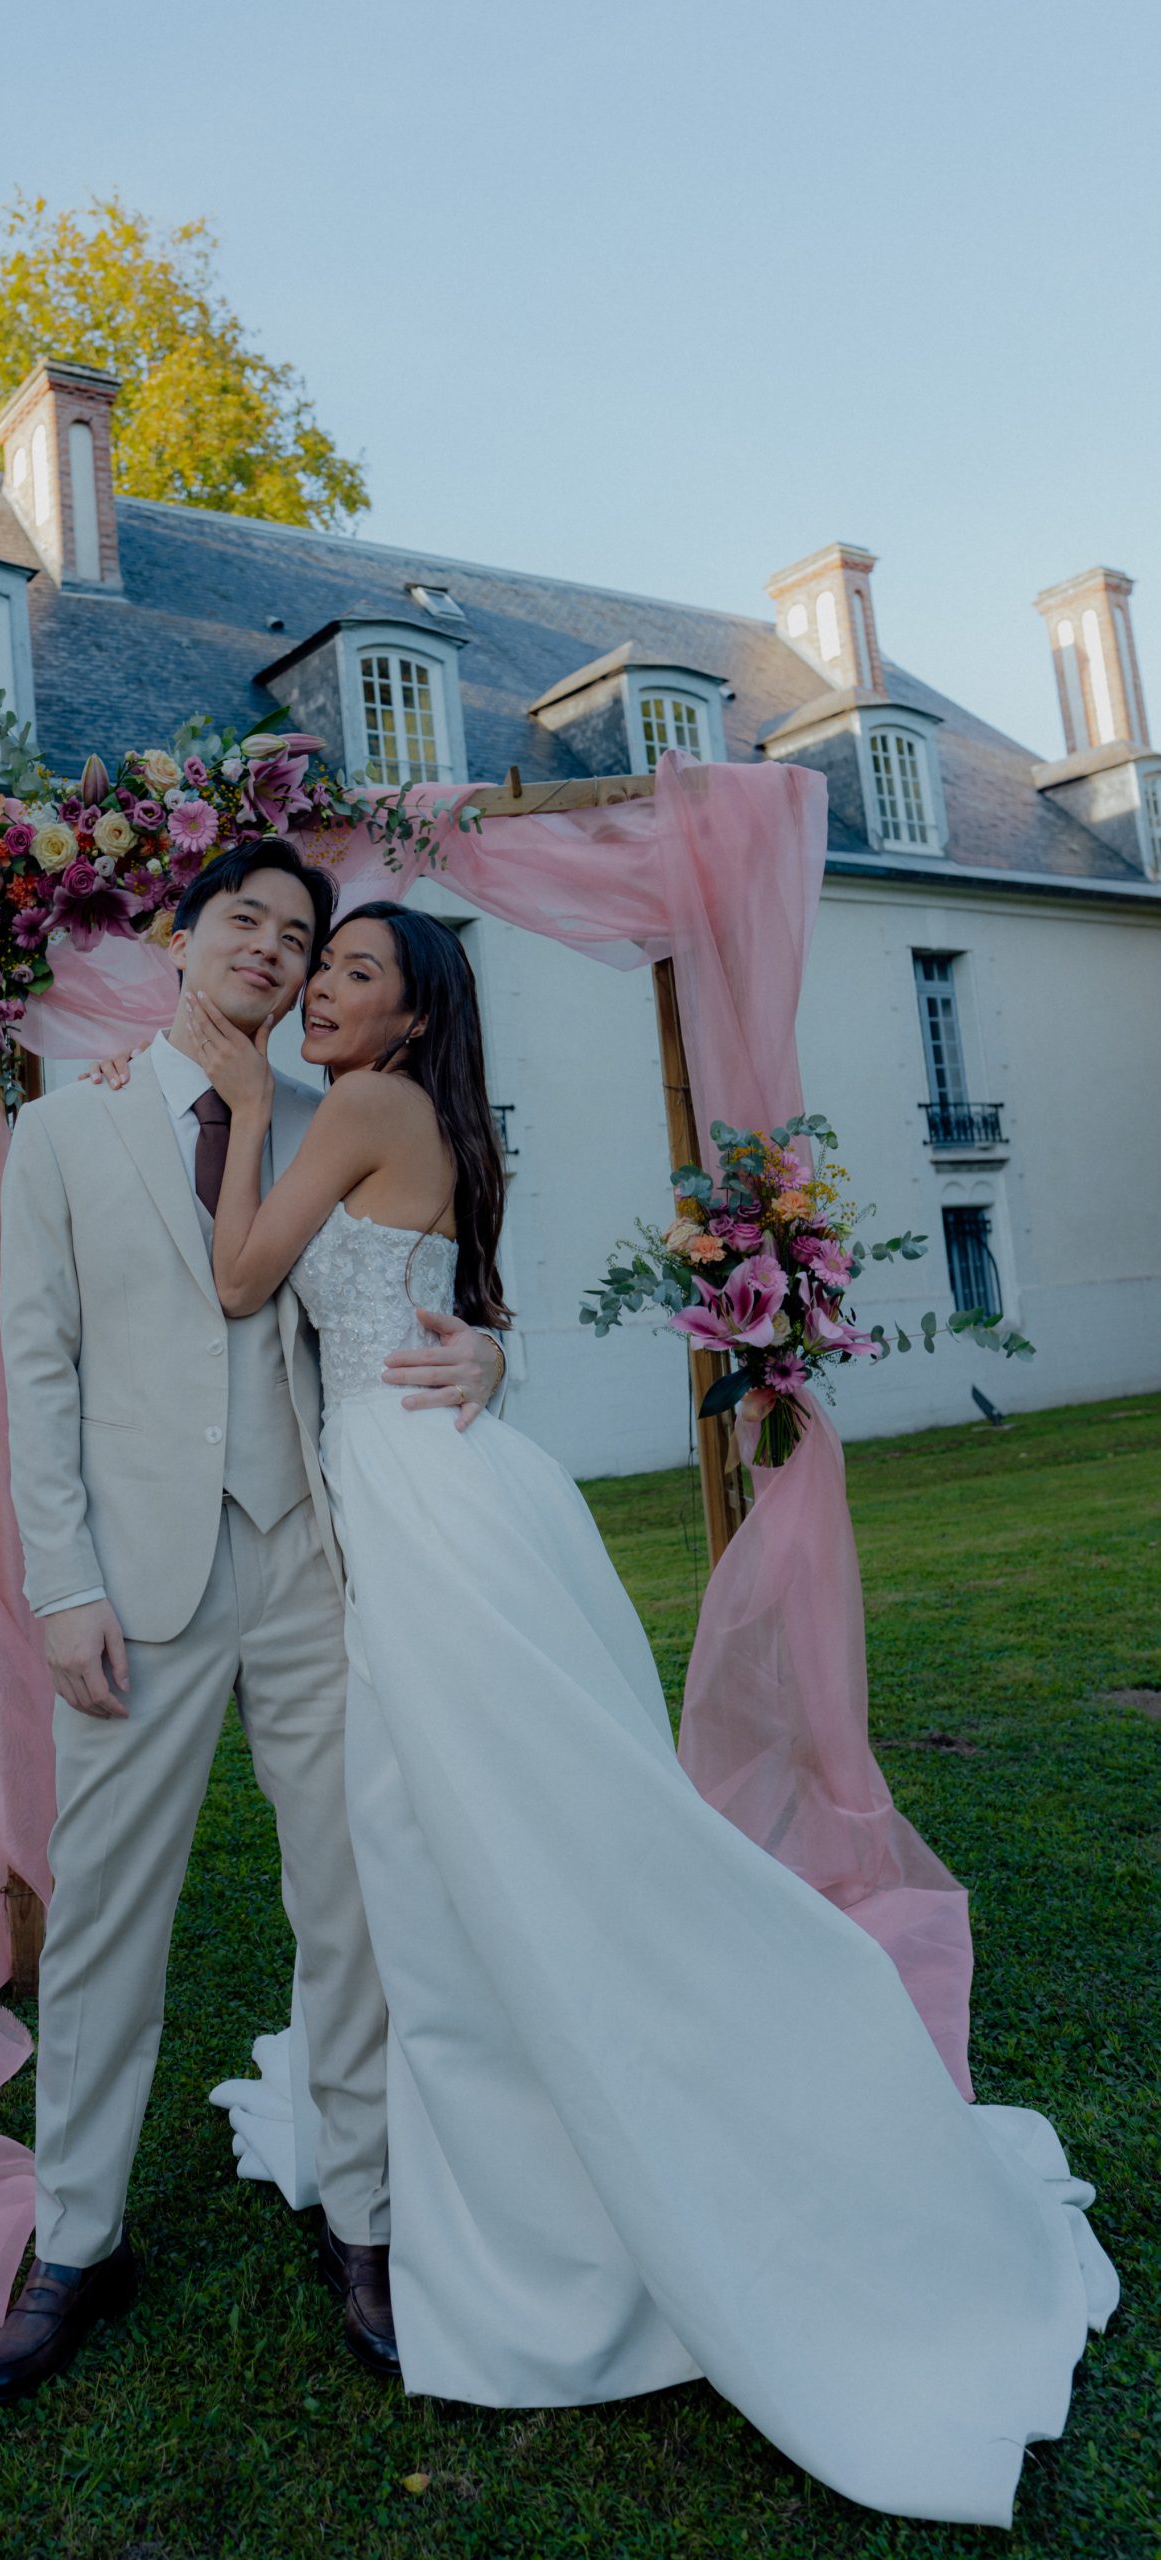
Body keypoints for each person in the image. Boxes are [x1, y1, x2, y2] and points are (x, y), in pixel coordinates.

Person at [182, 897, 1116, 2530]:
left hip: (420, 1510)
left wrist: (251, 1099)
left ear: (413, 1017)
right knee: (488, 1828)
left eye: (353, 973)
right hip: (431, 1486)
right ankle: (479, 2128)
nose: (319, 987)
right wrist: (480, 1349)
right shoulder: (419, 1114)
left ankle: (538, 2164)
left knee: (469, 1834)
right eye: (318, 966)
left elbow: (246, 1278)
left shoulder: (360, 1105)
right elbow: (432, 1304)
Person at [0, 844, 505, 2404]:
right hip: (132, 1586)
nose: (275, 949)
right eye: (245, 923)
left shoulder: (337, 1114)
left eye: (303, 935)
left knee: (352, 1897)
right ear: (179, 941)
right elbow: (37, 1369)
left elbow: (427, 1289)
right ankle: (76, 2239)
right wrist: (61, 1585)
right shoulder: (67, 1128)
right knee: (105, 1916)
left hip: (317, 1565)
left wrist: (487, 1358)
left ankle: (364, 2213)